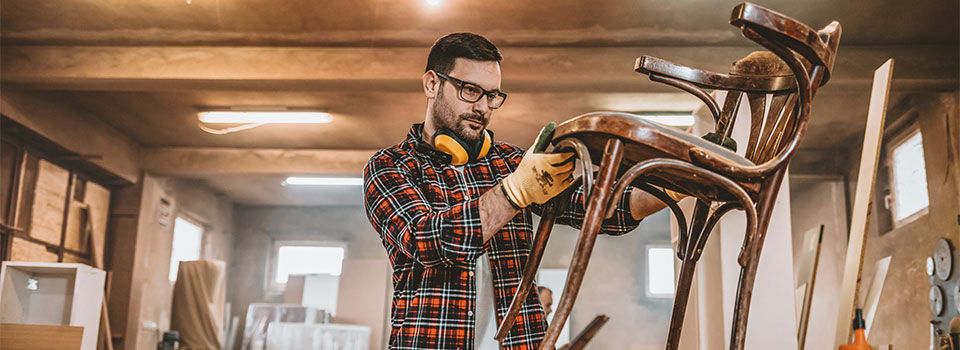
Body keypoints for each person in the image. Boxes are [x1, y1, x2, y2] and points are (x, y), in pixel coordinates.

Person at [363, 32, 666, 350]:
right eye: (470, 90)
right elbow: (426, 241)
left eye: (492, 96)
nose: (482, 107)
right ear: (431, 84)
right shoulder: (391, 166)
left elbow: (599, 208)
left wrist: (671, 185)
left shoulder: (512, 162)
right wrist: (513, 193)